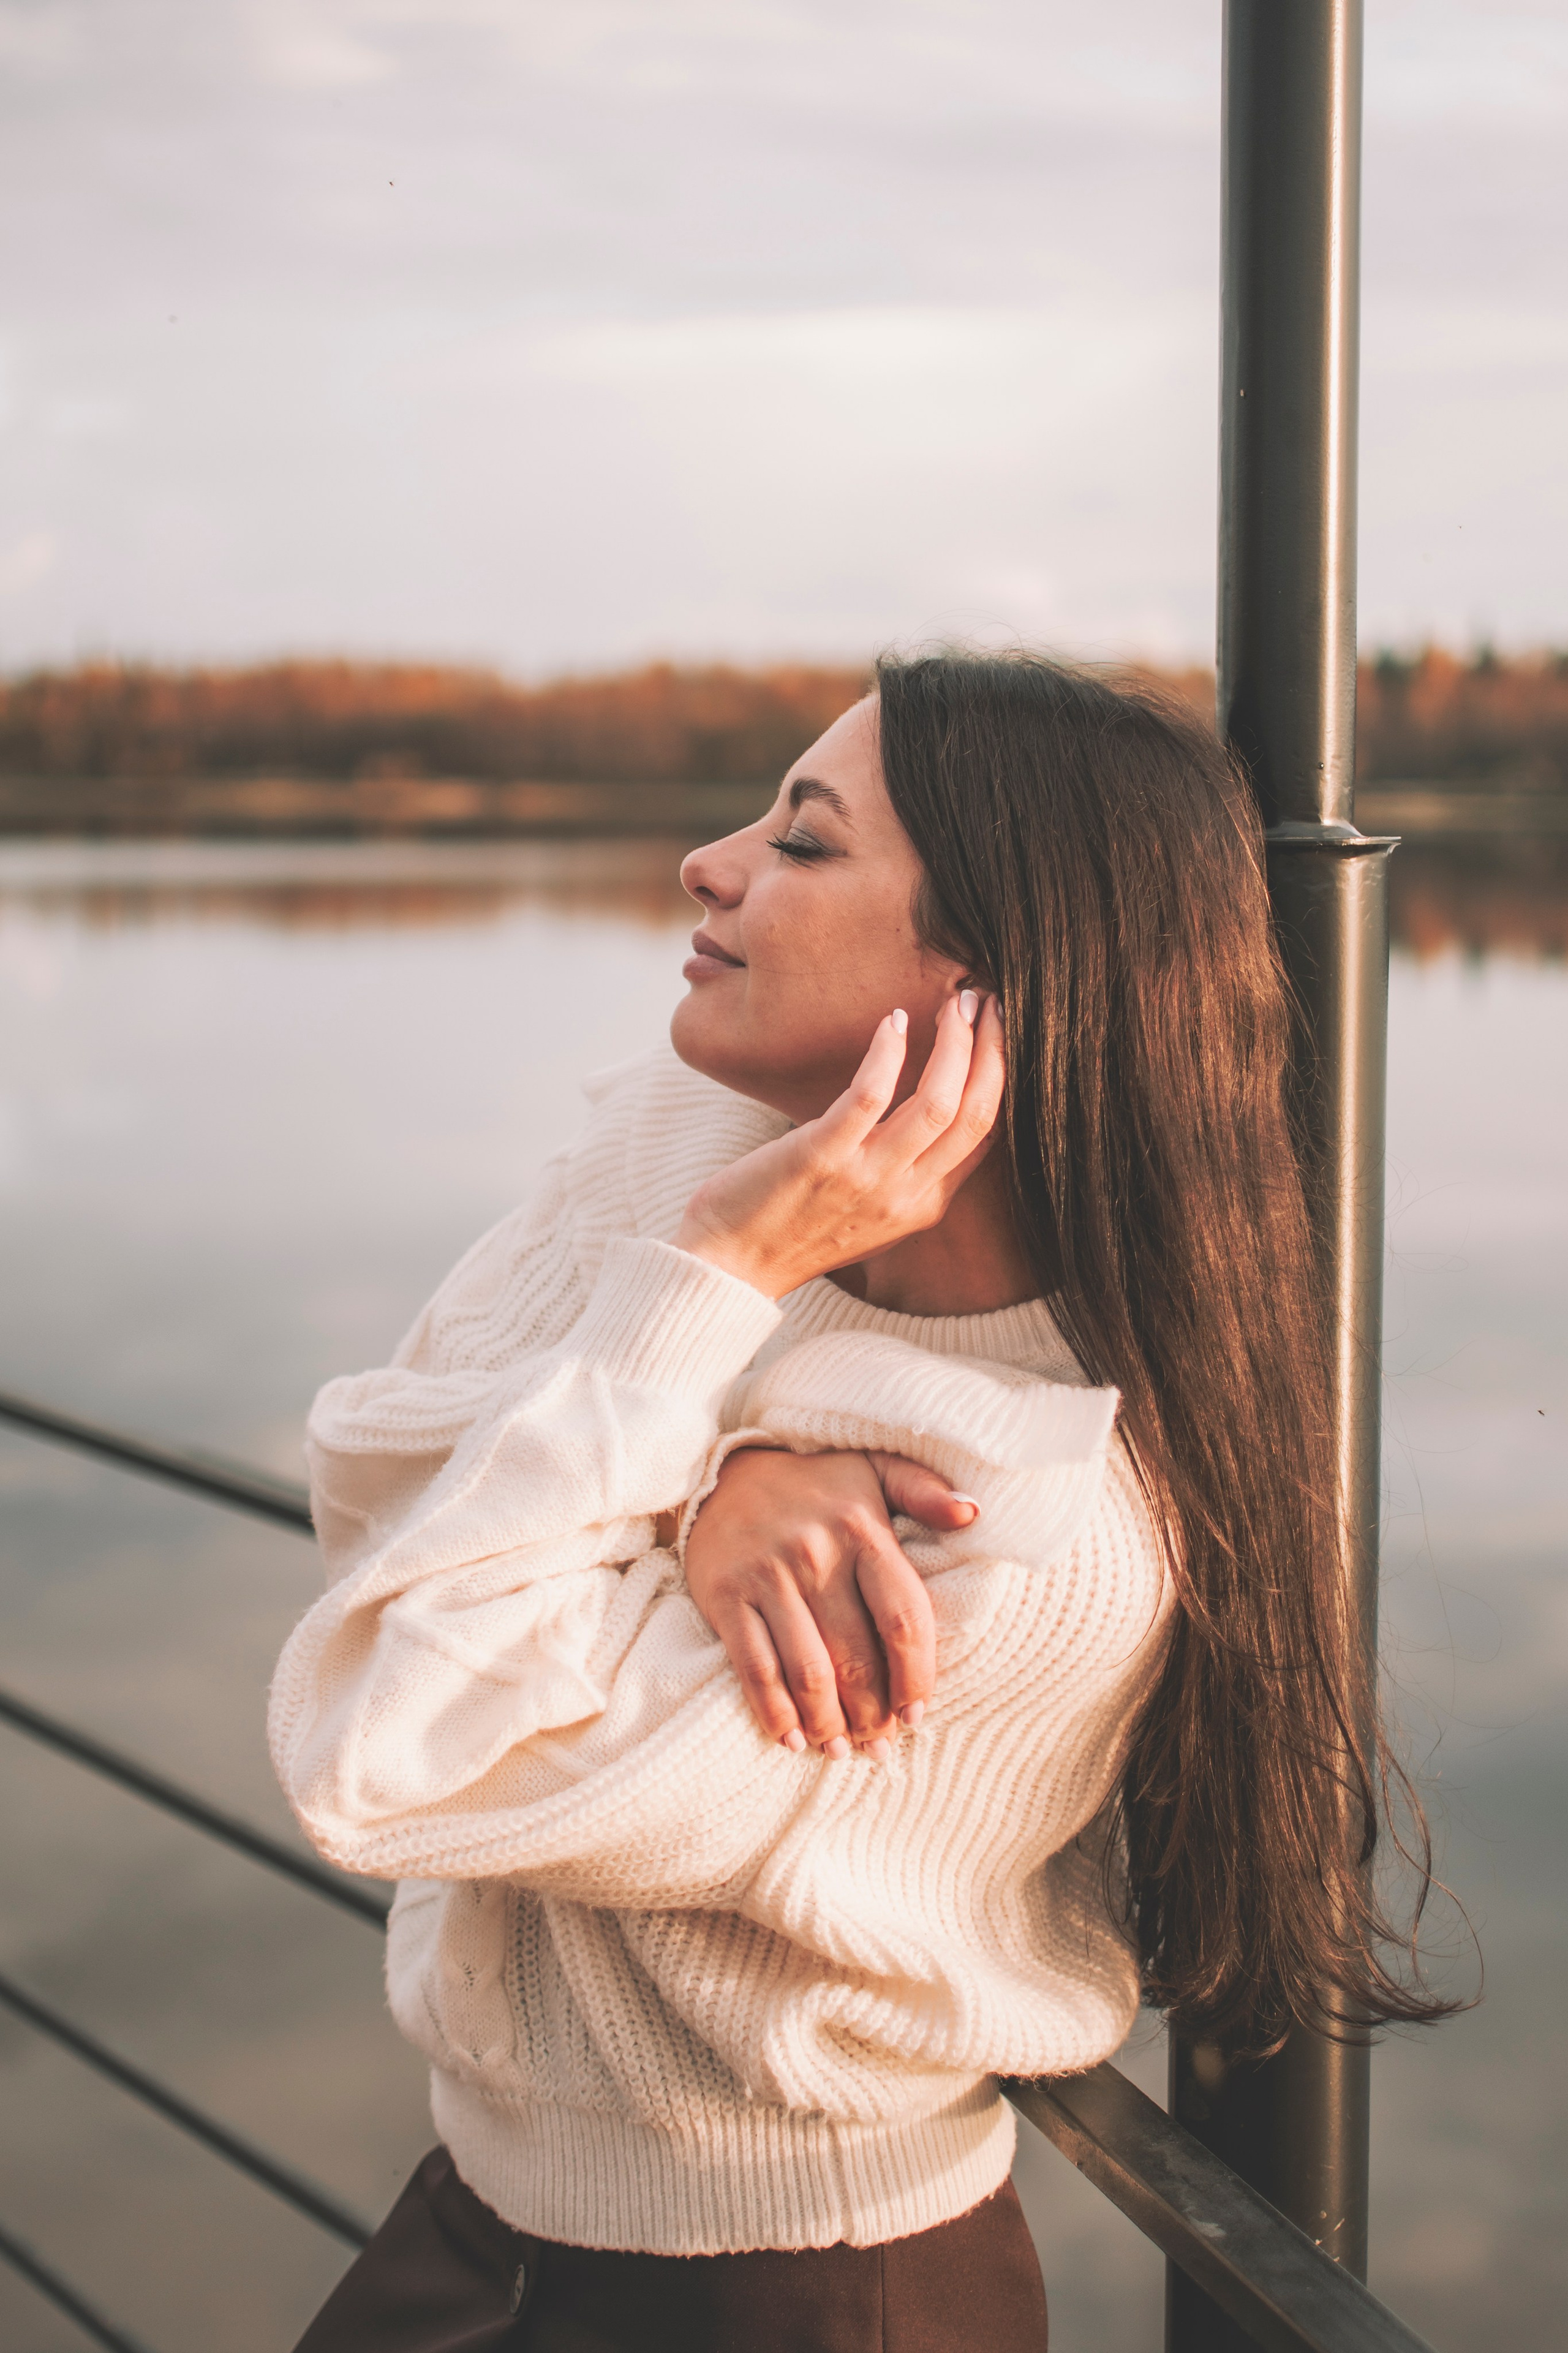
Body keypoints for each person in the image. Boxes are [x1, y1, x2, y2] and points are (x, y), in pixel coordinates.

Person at [270, 653, 1447, 2353]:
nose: (711, 863)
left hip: (788, 2292)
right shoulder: (699, 1132)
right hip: (476, 2217)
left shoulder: (1030, 1520)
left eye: (805, 843)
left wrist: (720, 1280)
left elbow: (398, 1729)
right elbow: (376, 1469)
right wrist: (713, 1474)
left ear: (988, 966)